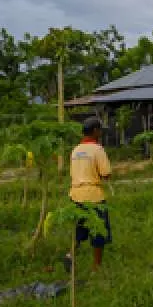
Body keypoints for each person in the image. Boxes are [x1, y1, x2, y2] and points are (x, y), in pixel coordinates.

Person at [65, 117, 113, 273]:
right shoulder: (98, 149)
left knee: (79, 230)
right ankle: (96, 267)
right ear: (95, 131)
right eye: (99, 130)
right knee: (98, 231)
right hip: (94, 195)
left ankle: (70, 254)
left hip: (76, 195)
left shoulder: (75, 150)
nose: (100, 133)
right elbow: (106, 174)